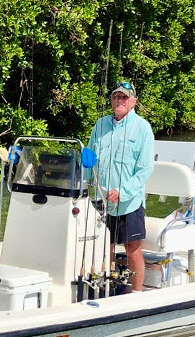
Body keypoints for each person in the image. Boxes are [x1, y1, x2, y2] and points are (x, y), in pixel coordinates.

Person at [87, 81, 154, 292]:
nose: (120, 101)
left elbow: (144, 169)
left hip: (129, 202)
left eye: (124, 97)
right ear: (111, 100)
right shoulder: (100, 125)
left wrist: (122, 192)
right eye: (116, 96)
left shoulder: (142, 128)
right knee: (103, 246)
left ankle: (136, 293)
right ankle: (105, 290)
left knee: (132, 248)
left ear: (133, 102)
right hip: (101, 199)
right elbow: (89, 158)